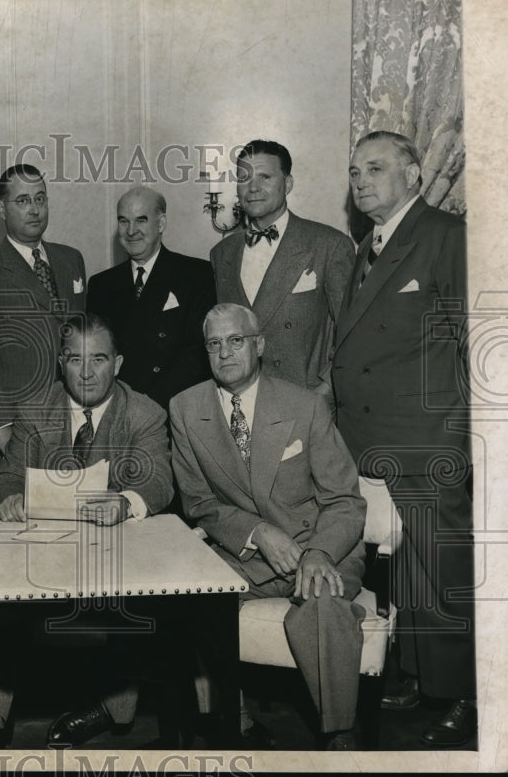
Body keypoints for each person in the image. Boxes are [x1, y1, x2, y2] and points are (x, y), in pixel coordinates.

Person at [0, 313, 174, 748]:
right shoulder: (35, 409)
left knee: (139, 592)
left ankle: (110, 708)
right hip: (42, 549)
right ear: (60, 363)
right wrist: (8, 496)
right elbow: (5, 476)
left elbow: (159, 481)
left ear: (118, 363)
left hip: (113, 552)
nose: (86, 372)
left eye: (98, 359)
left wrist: (126, 502)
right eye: (75, 359)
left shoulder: (144, 412)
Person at [170, 303, 367, 750]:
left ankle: (340, 733)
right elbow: (199, 502)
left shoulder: (305, 405)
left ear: (258, 345)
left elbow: (344, 499)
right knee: (192, 599)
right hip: (244, 552)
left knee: (323, 601)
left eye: (235, 340)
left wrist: (318, 553)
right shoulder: (185, 408)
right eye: (214, 344)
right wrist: (258, 532)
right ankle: (230, 722)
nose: (225, 352)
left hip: (317, 544)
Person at [335, 130, 474, 747]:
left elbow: (476, 342)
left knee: (445, 569)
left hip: (428, 438)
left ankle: (467, 694)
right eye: (354, 171)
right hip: (373, 439)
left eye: (375, 168)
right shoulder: (370, 243)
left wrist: (466, 434)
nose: (360, 181)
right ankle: (423, 678)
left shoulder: (445, 235)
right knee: (412, 575)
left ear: (414, 173)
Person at [0, 164, 87, 452]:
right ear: (2, 209)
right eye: (23, 201)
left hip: (75, 417)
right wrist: (2, 428)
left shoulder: (71, 259)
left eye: (40, 199)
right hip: (20, 424)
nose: (35, 210)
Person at [209, 140, 354, 395]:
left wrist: (324, 392)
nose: (253, 187)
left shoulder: (329, 245)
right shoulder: (222, 253)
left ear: (288, 184)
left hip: (303, 399)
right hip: (241, 399)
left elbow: (353, 332)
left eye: (265, 177)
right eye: (244, 178)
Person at [87, 186, 215, 409]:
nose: (131, 231)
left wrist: (149, 407)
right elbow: (97, 356)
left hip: (175, 407)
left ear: (161, 223)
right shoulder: (101, 284)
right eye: (123, 221)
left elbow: (196, 354)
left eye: (141, 220)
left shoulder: (196, 275)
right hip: (119, 408)